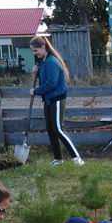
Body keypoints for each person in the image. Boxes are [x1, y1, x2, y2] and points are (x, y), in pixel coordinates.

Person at [30, 35, 85, 166]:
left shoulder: (51, 62)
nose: (34, 53)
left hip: (57, 98)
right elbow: (44, 79)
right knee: (50, 129)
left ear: (43, 47)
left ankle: (77, 158)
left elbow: (51, 84)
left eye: (35, 50)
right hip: (49, 99)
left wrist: (36, 91)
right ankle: (58, 159)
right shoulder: (43, 62)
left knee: (58, 128)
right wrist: (35, 72)